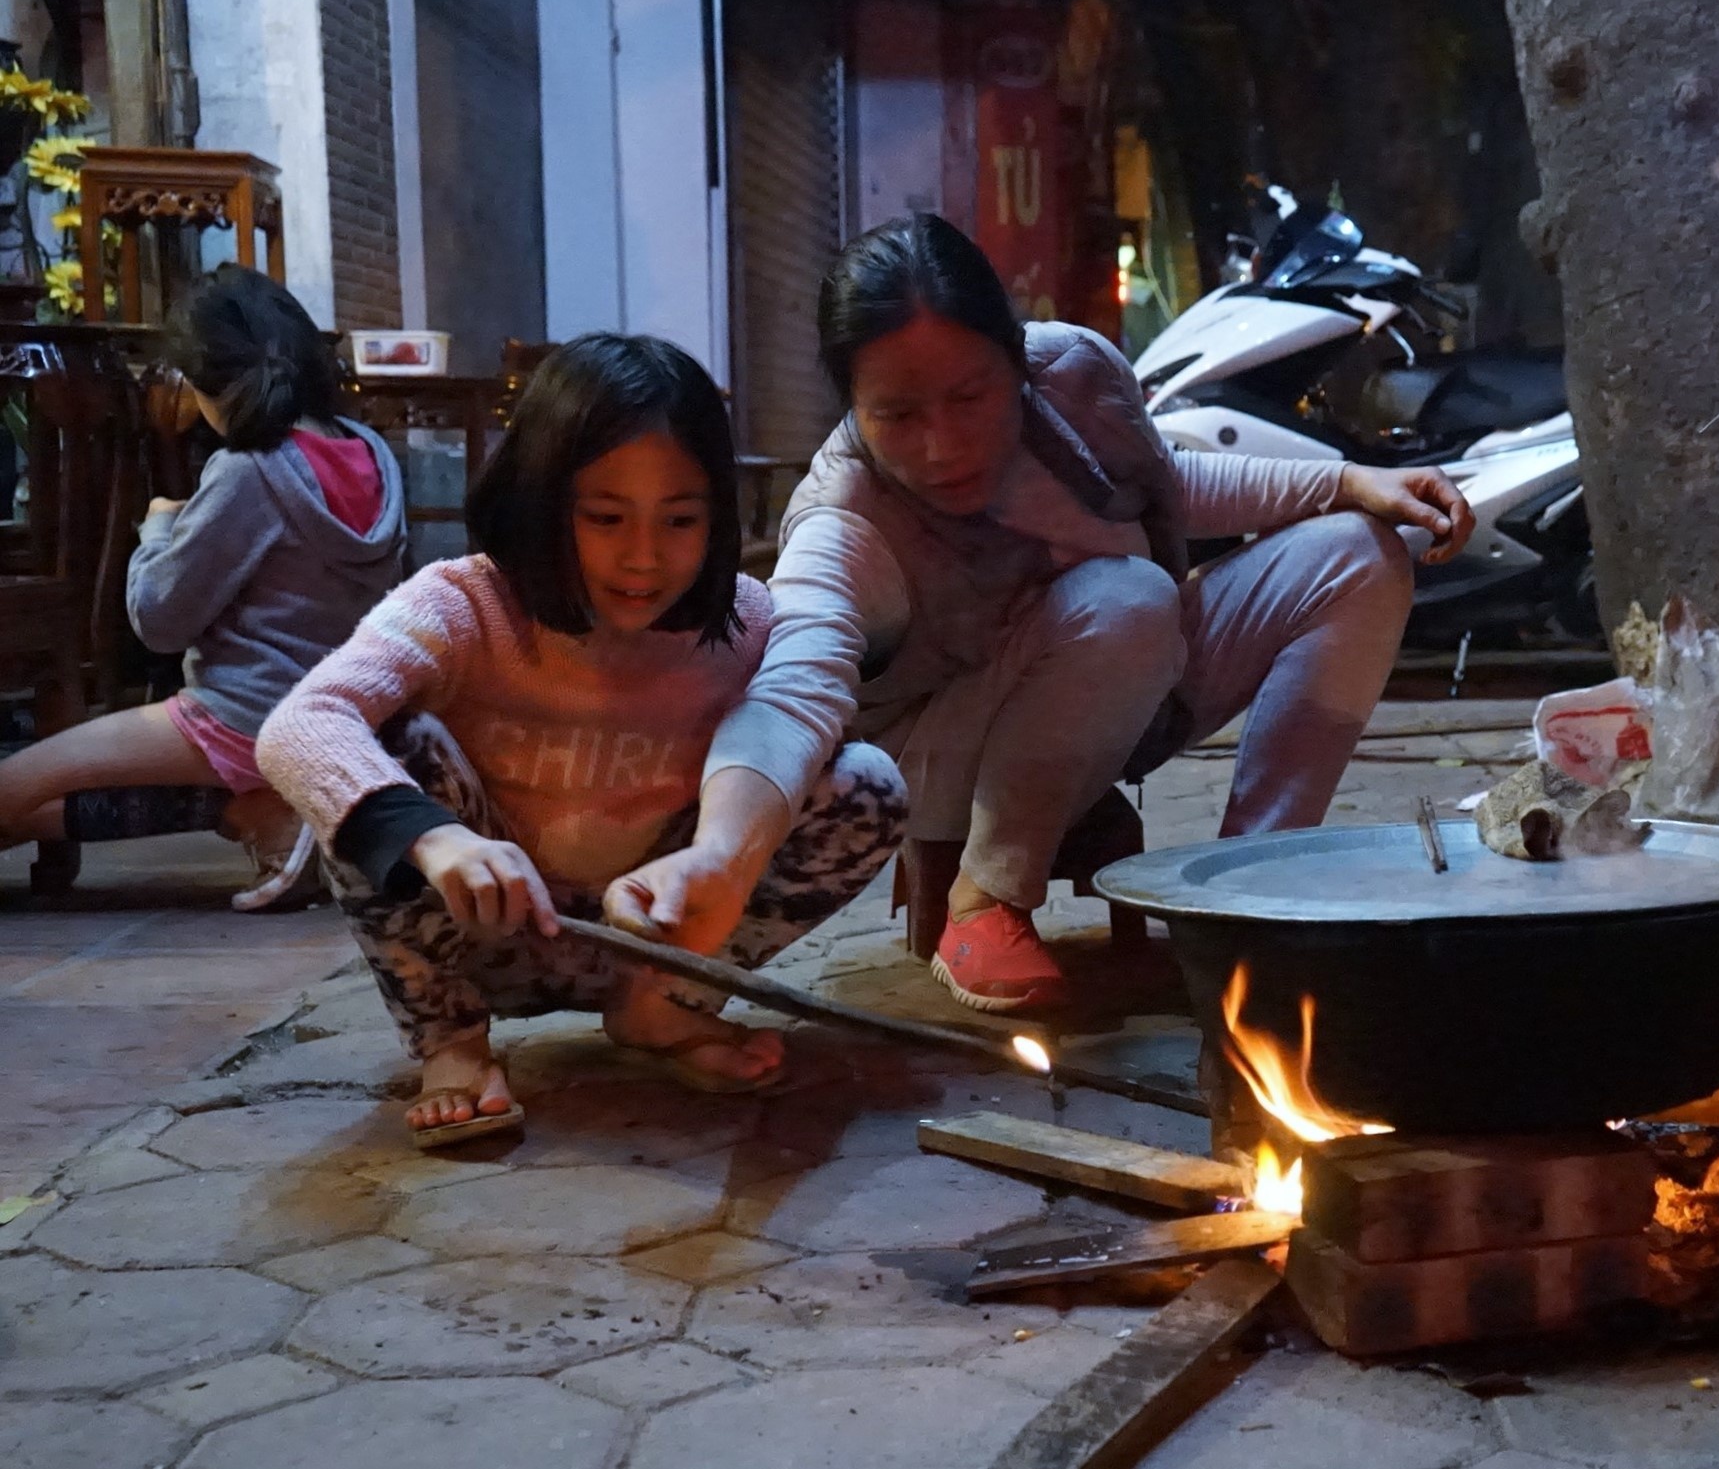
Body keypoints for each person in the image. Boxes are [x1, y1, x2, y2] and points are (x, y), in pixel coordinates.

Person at [607, 213, 1474, 1015]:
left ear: (1017, 361)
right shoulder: (844, 522)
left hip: (1121, 682)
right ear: (853, 408)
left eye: (971, 397)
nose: (942, 445)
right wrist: (721, 854)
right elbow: (793, 687)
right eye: (897, 415)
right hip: (949, 762)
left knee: (1359, 553)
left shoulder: (1074, 381)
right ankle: (986, 898)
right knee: (1130, 598)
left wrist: (1350, 482)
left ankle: (1251, 890)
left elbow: (1160, 484)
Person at [256, 334, 909, 1148]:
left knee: (863, 782)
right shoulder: (463, 605)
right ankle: (450, 1038)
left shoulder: (746, 625)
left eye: (681, 518)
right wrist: (436, 838)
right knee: (382, 759)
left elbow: (816, 731)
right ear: (540, 498)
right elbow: (300, 725)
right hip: (487, 928)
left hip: (659, 937)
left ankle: (661, 1008)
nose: (644, 557)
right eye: (604, 517)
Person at [0, 264, 407, 909]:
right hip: (338, 716)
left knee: (12, 788)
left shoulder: (249, 469)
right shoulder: (373, 454)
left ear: (209, 387)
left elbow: (159, 622)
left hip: (240, 713)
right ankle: (265, 814)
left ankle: (270, 809)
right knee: (41, 810)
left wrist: (159, 528)